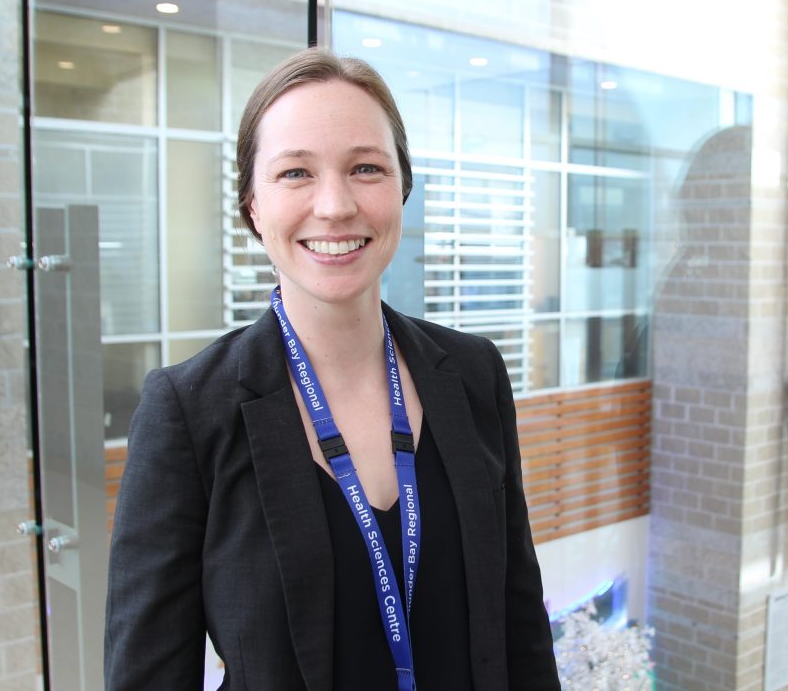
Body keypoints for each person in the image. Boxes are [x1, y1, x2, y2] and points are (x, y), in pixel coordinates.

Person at [104, 47, 561, 690]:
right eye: (295, 173)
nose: (336, 205)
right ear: (252, 205)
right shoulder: (189, 412)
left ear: (402, 187)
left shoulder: (472, 373)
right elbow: (148, 676)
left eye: (365, 167)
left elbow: (521, 632)